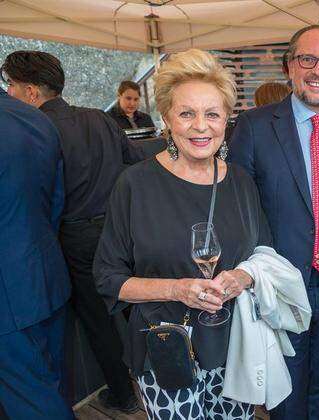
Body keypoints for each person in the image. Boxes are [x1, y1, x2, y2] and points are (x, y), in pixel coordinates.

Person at [93, 49, 271, 420]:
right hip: (166, 352)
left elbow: (262, 252)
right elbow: (109, 279)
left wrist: (242, 276)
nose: (200, 126)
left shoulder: (240, 181)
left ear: (226, 119)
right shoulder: (135, 184)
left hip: (234, 346)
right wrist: (177, 289)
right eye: (187, 113)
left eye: (212, 114)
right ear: (167, 118)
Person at [229, 25, 319, 419]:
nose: (318, 70)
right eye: (307, 59)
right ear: (289, 66)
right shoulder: (254, 127)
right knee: (285, 397)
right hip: (278, 287)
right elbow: (237, 208)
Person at [1, 50, 142, 413]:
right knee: (135, 310)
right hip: (120, 229)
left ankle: (124, 395)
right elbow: (136, 165)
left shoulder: (36, 129)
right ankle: (154, 381)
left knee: (98, 322)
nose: (9, 94)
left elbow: (46, 199)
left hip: (73, 238)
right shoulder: (98, 117)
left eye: (11, 86)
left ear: (32, 92)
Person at [0, 87, 73, 420]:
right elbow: (56, 201)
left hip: (9, 295)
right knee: (53, 383)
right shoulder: (35, 118)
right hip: (46, 268)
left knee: (33, 402)